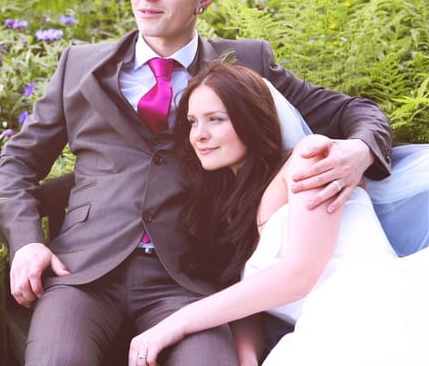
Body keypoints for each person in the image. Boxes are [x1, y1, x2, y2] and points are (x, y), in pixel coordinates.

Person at [0, 0, 393, 365]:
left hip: (188, 280)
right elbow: (18, 161)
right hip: (82, 273)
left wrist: (359, 153)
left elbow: (356, 112)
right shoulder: (79, 65)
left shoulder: (246, 64)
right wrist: (28, 241)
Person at [127, 62, 429, 366]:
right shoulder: (232, 213)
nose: (199, 135)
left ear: (251, 120)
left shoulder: (311, 159)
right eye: (192, 122)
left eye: (215, 119)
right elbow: (250, 300)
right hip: (321, 329)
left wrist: (174, 324)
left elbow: (300, 275)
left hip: (376, 309)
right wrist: (247, 358)